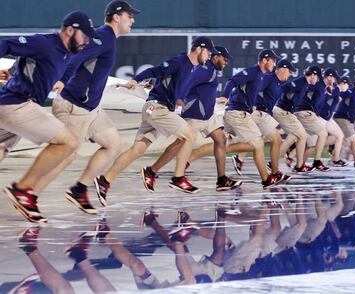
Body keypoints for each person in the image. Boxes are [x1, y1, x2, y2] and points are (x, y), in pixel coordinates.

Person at [32, 1, 140, 215]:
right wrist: (62, 79)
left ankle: (80, 189)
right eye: (130, 15)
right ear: (116, 17)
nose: (133, 20)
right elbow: (75, 56)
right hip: (74, 105)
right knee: (65, 153)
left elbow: (91, 70)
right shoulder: (103, 36)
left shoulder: (107, 39)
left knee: (112, 143)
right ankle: (29, 193)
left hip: (90, 108)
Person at [1, 11, 100, 223]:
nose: (87, 41)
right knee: (69, 142)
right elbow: (8, 45)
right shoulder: (44, 43)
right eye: (85, 35)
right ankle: (23, 190)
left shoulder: (68, 52)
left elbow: (49, 65)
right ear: (70, 30)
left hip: (11, 105)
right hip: (17, 105)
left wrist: (13, 71)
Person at [95, 36, 216, 196]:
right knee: (189, 136)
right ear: (199, 49)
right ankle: (178, 178)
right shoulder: (181, 61)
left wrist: (175, 97)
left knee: (137, 150)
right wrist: (136, 80)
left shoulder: (190, 67)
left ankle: (105, 181)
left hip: (157, 109)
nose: (209, 57)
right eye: (208, 52)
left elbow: (166, 81)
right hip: (157, 108)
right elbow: (155, 70)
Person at [139, 46, 242, 192]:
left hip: (208, 113)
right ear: (216, 56)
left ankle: (222, 180)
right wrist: (180, 98)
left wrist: (214, 99)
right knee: (180, 143)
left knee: (221, 139)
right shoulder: (205, 69)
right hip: (196, 113)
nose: (226, 62)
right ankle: (152, 171)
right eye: (225, 59)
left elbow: (200, 88)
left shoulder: (210, 69)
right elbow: (187, 81)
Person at [220, 49, 283, 189]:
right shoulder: (253, 71)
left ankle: (266, 178)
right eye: (273, 60)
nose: (275, 64)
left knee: (223, 143)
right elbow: (232, 81)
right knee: (258, 143)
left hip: (241, 112)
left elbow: (248, 92)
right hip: (237, 113)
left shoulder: (260, 75)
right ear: (265, 60)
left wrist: (253, 105)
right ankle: (266, 179)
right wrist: (225, 96)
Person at [333, 78, 355, 167]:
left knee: (342, 141)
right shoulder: (351, 92)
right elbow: (340, 95)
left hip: (347, 120)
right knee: (353, 139)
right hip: (342, 118)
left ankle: (334, 159)